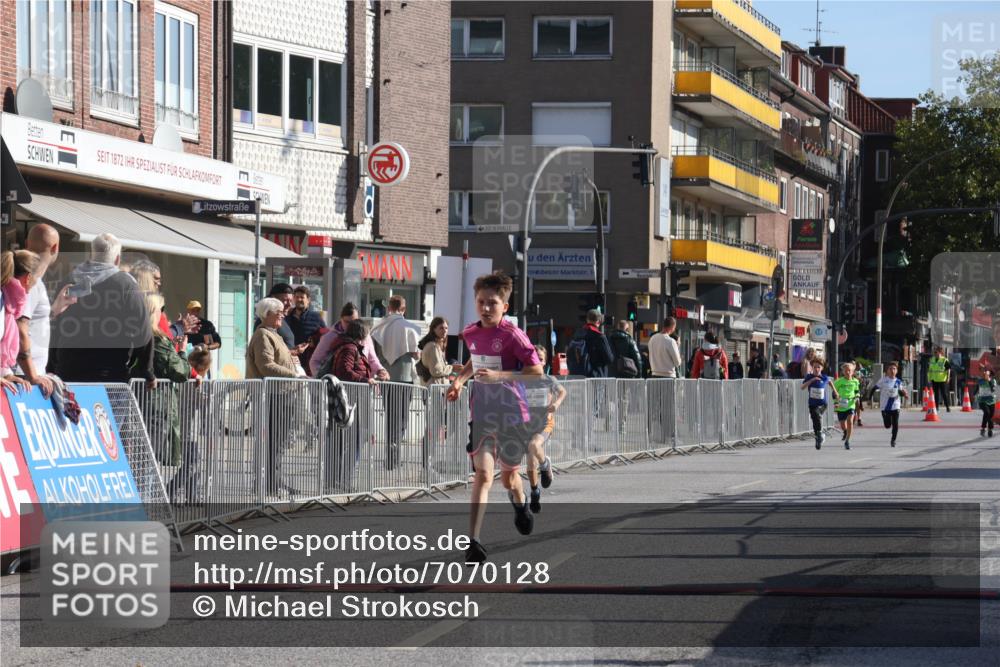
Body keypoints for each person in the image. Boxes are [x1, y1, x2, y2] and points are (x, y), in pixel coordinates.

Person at [446, 271, 544, 563]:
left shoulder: (513, 335)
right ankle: (473, 541)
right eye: (481, 302)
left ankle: (520, 503)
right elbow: (474, 361)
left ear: (505, 306)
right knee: (483, 474)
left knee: (509, 479)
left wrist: (500, 376)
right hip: (482, 414)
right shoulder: (471, 333)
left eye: (492, 303)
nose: (486, 308)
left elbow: (536, 371)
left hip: (512, 415)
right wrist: (459, 382)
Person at [50, 233, 154, 386]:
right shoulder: (126, 284)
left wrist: (52, 365)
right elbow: (143, 330)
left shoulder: (68, 281)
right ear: (117, 259)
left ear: (91, 254)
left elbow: (54, 326)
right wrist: (147, 371)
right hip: (109, 372)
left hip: (68, 369)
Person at [246, 297, 299, 496]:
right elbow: (266, 366)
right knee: (273, 443)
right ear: (267, 314)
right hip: (273, 395)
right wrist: (294, 375)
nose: (283, 315)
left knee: (279, 443)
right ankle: (269, 484)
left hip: (282, 393)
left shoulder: (273, 334)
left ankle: (274, 481)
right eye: (279, 312)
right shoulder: (262, 335)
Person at [371, 295, 420, 470]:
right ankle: (394, 456)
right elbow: (415, 352)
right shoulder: (409, 327)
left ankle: (391, 457)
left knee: (390, 417)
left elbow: (375, 352)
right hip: (404, 378)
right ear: (404, 309)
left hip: (387, 377)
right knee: (402, 419)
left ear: (388, 308)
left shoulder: (379, 327)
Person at [1, 250, 53, 397]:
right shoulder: (3, 300)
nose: (29, 291)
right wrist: (32, 376)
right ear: (28, 278)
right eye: (34, 283)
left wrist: (6, 374)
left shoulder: (8, 304)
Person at [524, 345, 566, 514]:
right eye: (534, 358)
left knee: (534, 445)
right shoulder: (523, 379)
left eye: (540, 358)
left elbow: (562, 392)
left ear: (544, 361)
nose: (537, 361)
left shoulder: (548, 379)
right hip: (526, 424)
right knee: (529, 462)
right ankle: (535, 492)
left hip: (544, 423)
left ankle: (545, 464)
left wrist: (556, 403)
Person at [312, 303, 390, 380]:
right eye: (347, 322)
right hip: (339, 384)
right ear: (341, 319)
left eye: (354, 321)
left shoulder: (365, 336)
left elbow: (372, 359)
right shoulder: (330, 337)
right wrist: (326, 380)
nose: (351, 325)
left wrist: (381, 370)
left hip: (364, 383)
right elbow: (314, 361)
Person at [23, 224, 62, 375]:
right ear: (55, 248)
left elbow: (30, 320)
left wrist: (55, 308)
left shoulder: (32, 279)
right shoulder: (30, 281)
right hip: (25, 375)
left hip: (26, 372)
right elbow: (20, 328)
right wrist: (32, 375)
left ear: (27, 244)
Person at [801, 358, 838, 449]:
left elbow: (830, 382)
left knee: (817, 418)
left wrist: (835, 391)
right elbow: (802, 387)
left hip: (823, 404)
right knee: (815, 419)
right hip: (813, 404)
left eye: (818, 367)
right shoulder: (809, 377)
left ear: (822, 368)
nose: (816, 369)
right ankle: (819, 436)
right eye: (815, 367)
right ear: (812, 368)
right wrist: (812, 380)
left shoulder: (824, 377)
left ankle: (819, 434)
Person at [566, 309, 615, 377]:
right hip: (596, 376)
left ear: (587, 319)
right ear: (598, 321)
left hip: (578, 375)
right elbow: (609, 359)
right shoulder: (599, 336)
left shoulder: (577, 334)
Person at [417, 317, 461, 386]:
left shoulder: (436, 345)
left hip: (437, 387)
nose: (445, 331)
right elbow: (436, 371)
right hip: (434, 388)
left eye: (446, 328)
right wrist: (452, 368)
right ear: (434, 329)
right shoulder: (433, 346)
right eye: (441, 328)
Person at [872, 362, 907, 447]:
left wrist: (905, 394)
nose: (892, 370)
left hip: (896, 405)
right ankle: (888, 422)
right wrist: (870, 396)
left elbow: (902, 391)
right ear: (887, 371)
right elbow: (874, 388)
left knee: (896, 424)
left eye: (894, 369)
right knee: (887, 425)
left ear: (897, 371)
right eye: (890, 369)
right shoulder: (883, 380)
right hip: (885, 406)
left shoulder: (898, 381)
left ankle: (893, 440)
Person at [832, 362, 860, 449]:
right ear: (843, 372)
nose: (848, 372)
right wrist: (835, 403)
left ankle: (847, 441)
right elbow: (834, 393)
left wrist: (857, 397)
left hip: (851, 404)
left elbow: (857, 391)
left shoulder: (855, 381)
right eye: (846, 371)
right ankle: (845, 431)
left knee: (850, 421)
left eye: (849, 370)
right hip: (841, 404)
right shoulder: (839, 381)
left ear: (853, 371)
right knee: (842, 424)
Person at [928, 346, 952, 413]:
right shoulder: (932, 359)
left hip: (942, 380)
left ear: (940, 352)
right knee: (936, 394)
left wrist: (948, 377)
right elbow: (930, 370)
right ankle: (937, 407)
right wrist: (929, 378)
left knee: (944, 394)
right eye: (934, 352)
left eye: (936, 352)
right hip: (934, 379)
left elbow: (948, 369)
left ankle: (947, 407)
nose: (935, 354)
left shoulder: (944, 360)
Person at [976, 368, 996, 438]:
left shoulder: (993, 381)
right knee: (987, 412)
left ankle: (985, 428)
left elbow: (993, 389)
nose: (985, 374)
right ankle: (989, 428)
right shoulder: (980, 381)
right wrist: (974, 394)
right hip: (982, 400)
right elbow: (977, 388)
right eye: (985, 373)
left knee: (990, 415)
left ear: (990, 375)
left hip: (991, 401)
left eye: (987, 373)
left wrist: (989, 381)